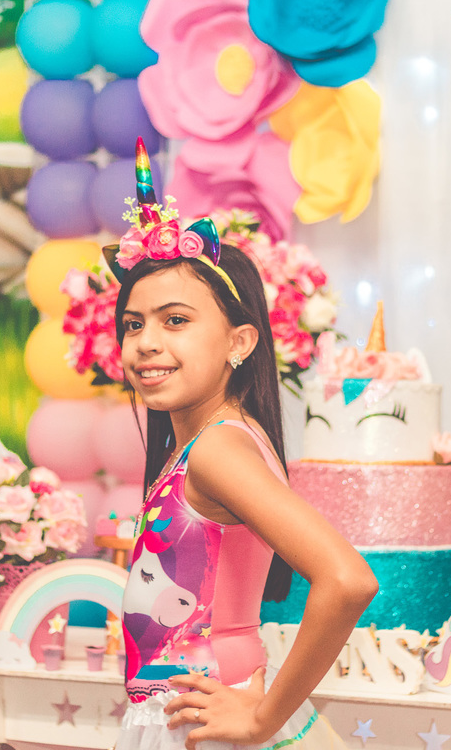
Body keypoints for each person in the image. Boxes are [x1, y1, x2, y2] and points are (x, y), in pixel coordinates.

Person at [109, 140, 377, 750]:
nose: (146, 342)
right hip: (181, 711)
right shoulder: (216, 440)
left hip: (201, 715)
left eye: (176, 320)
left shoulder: (218, 450)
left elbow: (346, 578)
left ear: (239, 342)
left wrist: (260, 718)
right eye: (134, 323)